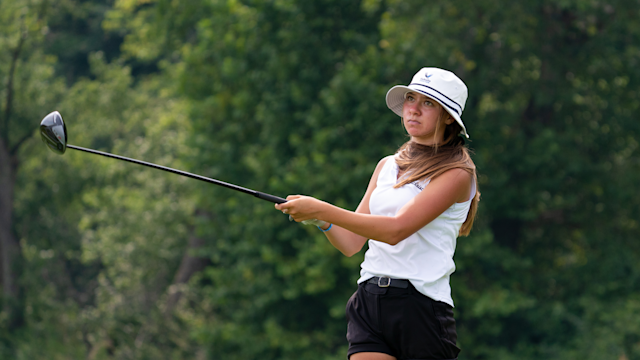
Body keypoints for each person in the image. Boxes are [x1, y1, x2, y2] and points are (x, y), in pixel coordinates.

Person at [275, 67, 480, 360]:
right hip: (370, 298)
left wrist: (322, 207)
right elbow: (351, 243)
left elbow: (395, 230)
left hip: (421, 307)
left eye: (428, 103)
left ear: (448, 116)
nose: (414, 109)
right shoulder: (387, 166)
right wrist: (319, 219)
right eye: (411, 98)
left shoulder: (457, 173)